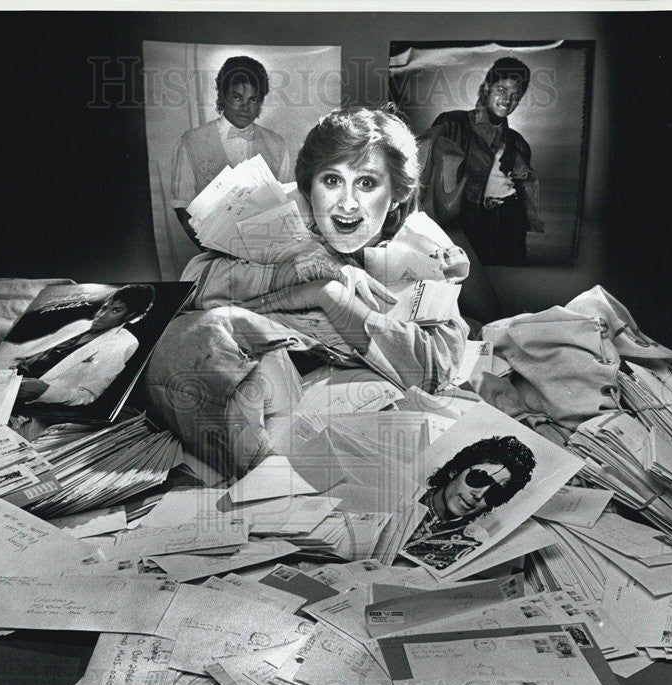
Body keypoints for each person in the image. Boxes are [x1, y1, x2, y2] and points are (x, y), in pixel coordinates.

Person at [143, 107, 470, 476]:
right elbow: (196, 285)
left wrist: (332, 298)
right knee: (198, 333)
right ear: (309, 183)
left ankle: (276, 480)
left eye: (366, 183)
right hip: (253, 375)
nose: (347, 203)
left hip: (343, 391)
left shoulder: (421, 249)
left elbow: (435, 367)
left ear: (395, 194)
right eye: (331, 180)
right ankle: (267, 480)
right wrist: (288, 275)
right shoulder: (279, 214)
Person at [420, 56, 544, 267]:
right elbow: (425, 186)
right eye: (502, 90)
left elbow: (523, 201)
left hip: (508, 235)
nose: (508, 100)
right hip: (464, 234)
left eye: (515, 96)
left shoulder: (519, 143)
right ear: (486, 88)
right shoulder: (452, 124)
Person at [170, 55, 293, 245]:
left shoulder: (277, 145)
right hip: (211, 252)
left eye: (253, 99)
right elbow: (182, 207)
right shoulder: (191, 142)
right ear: (221, 96)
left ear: (261, 102)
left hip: (264, 252)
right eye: (237, 97)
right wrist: (212, 249)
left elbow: (284, 206)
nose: (245, 107)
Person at [401, 435, 536, 571]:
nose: (479, 495)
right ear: (455, 470)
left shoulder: (473, 545)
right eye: (479, 478)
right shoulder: (400, 494)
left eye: (495, 493)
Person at [14, 284, 154, 406]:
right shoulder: (80, 325)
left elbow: (87, 396)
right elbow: (36, 349)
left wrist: (43, 391)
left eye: (116, 310)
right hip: (13, 378)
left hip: (31, 399)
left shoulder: (125, 342)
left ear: (130, 316)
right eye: (104, 307)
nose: (101, 315)